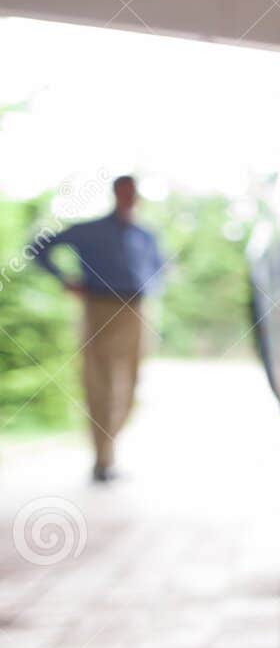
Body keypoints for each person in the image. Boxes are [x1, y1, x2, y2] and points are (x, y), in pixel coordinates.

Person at [33, 175, 166, 482]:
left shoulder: (146, 236)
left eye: (132, 193)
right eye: (123, 192)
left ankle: (110, 447)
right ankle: (102, 459)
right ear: (115, 193)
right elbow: (39, 247)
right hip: (99, 307)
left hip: (136, 309)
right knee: (99, 383)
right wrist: (65, 281)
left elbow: (159, 268)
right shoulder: (89, 231)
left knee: (131, 384)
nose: (128, 198)